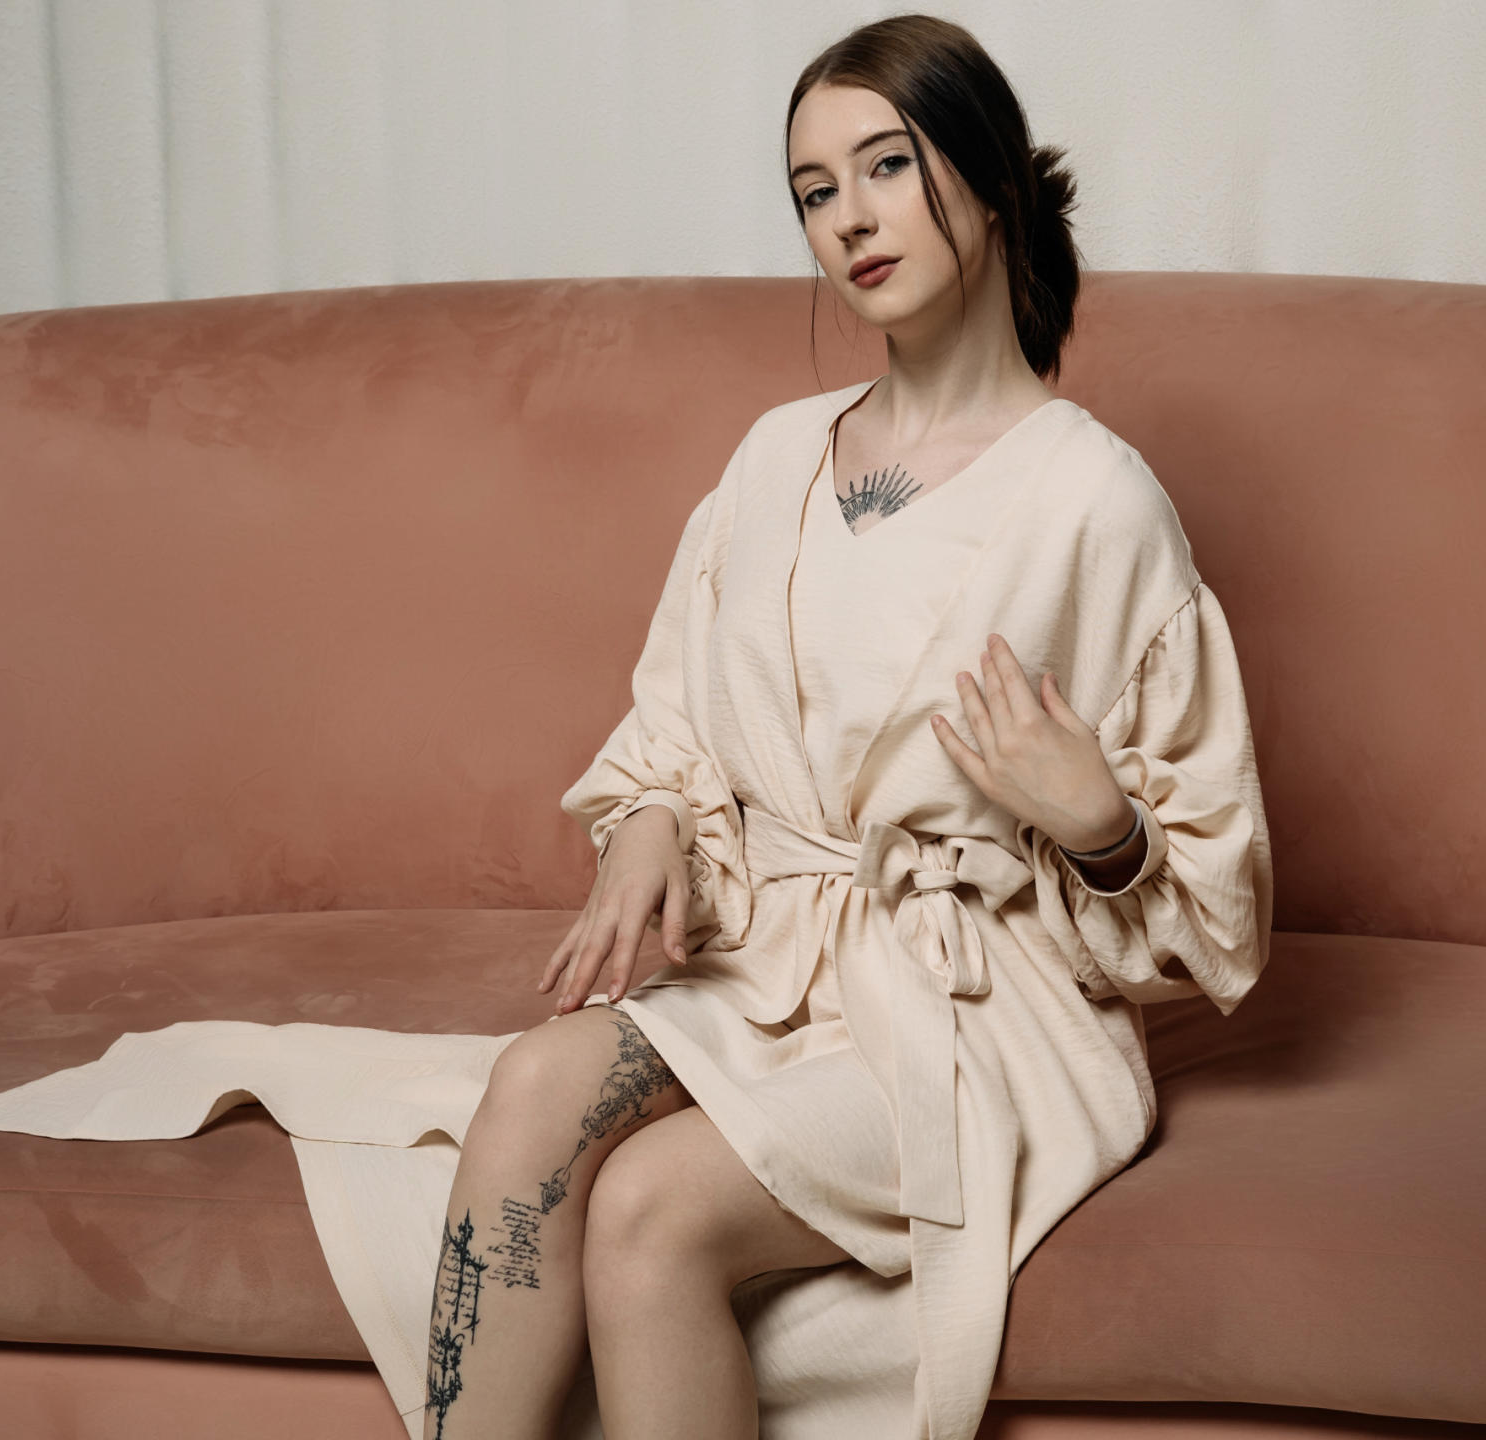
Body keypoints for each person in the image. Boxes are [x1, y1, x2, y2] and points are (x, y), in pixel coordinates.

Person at [424, 13, 1273, 1440]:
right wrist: (647, 821)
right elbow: (676, 712)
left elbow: (1219, 922)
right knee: (528, 1090)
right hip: (768, 964)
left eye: (888, 165)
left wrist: (1102, 825)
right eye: (816, 190)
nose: (851, 218)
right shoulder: (774, 457)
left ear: (989, 179)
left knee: (649, 1208)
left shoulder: (1096, 502)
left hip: (975, 1012)